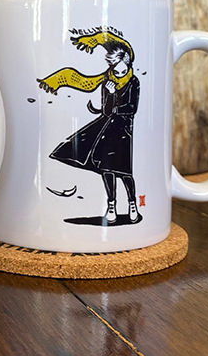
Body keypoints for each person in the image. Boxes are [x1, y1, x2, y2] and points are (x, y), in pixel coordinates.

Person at [38, 30, 140, 225]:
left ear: (127, 64)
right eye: (115, 70)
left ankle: (132, 203)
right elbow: (107, 112)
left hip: (124, 132)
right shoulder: (107, 83)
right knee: (107, 169)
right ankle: (111, 205)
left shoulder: (133, 81)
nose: (119, 74)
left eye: (122, 70)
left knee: (125, 172)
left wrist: (115, 103)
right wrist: (111, 94)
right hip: (108, 131)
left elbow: (131, 108)